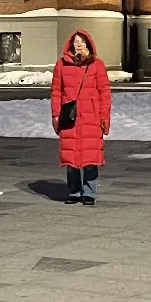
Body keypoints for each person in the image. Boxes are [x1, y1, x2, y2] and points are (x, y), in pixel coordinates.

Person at [49, 28, 111, 204]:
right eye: (76, 41)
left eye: (82, 41)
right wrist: (55, 115)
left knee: (90, 158)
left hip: (91, 117)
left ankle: (89, 192)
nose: (79, 44)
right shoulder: (61, 64)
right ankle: (74, 191)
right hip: (70, 117)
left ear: (88, 44)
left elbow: (104, 92)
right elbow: (56, 91)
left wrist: (104, 116)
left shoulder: (97, 65)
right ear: (71, 44)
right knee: (71, 156)